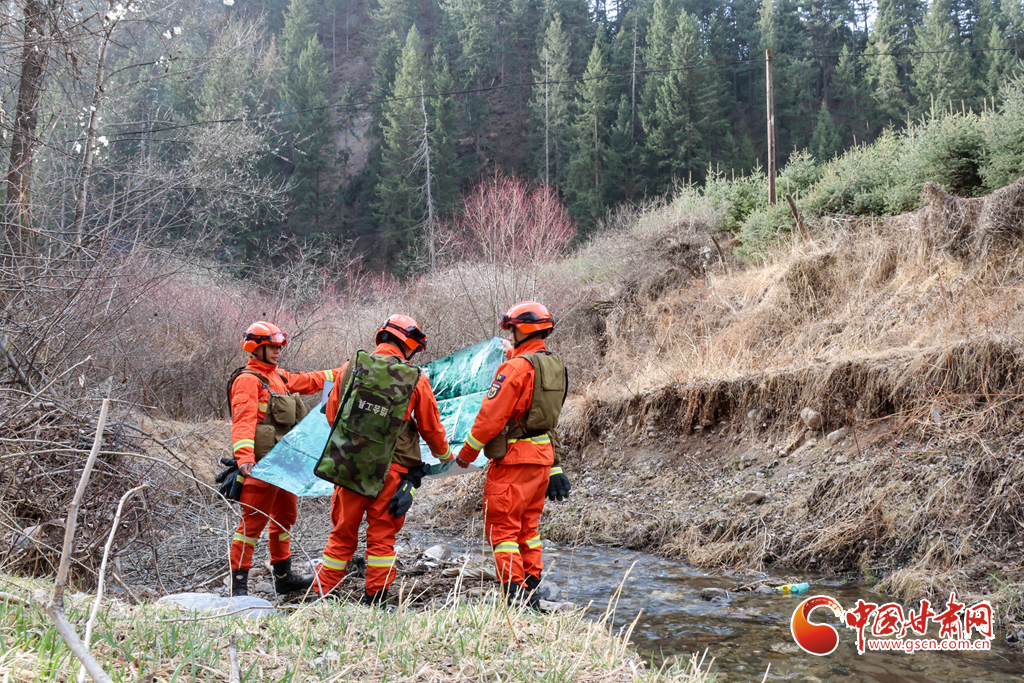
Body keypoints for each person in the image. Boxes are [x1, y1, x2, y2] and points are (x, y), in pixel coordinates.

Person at [312, 314, 453, 604]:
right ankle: (376, 598)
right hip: (393, 472)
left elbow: (333, 414)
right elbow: (431, 428)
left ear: (382, 336)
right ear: (409, 344)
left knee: (341, 534)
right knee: (382, 536)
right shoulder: (416, 378)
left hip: (348, 465)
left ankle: (322, 597)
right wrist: (446, 457)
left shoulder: (352, 367)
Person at [455, 301, 572, 606]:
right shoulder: (555, 366)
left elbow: (490, 418)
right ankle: (532, 583)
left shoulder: (515, 369)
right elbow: (541, 408)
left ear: (523, 330)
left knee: (503, 528)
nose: (510, 335)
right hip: (542, 458)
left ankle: (515, 594)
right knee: (528, 528)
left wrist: (467, 454)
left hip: (514, 459)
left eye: (512, 330)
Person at [226, 321, 344, 597]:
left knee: (284, 519)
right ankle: (238, 586)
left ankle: (283, 576)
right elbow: (242, 422)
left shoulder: (278, 376)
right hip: (261, 467)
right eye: (272, 347)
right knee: (251, 525)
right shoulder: (247, 380)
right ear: (256, 348)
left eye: (279, 346)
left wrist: (345, 370)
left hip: (284, 464)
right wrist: (244, 458)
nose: (278, 351)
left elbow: (312, 380)